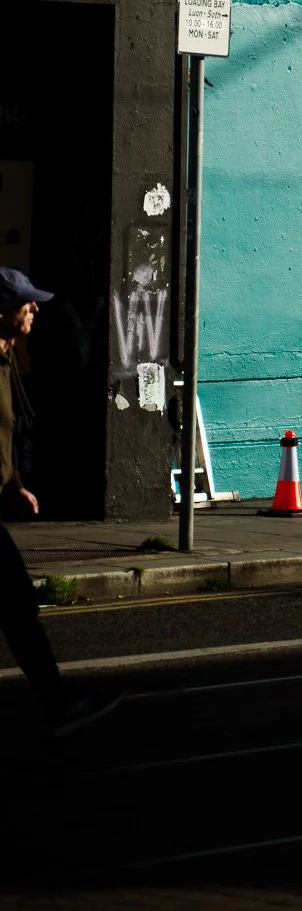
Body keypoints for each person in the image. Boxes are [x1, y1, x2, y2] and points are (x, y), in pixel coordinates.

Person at [0, 267, 119, 735]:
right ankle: (59, 705)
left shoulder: (7, 358)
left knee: (16, 605)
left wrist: (14, 485)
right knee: (17, 604)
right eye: (26, 302)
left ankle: (58, 703)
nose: (35, 308)